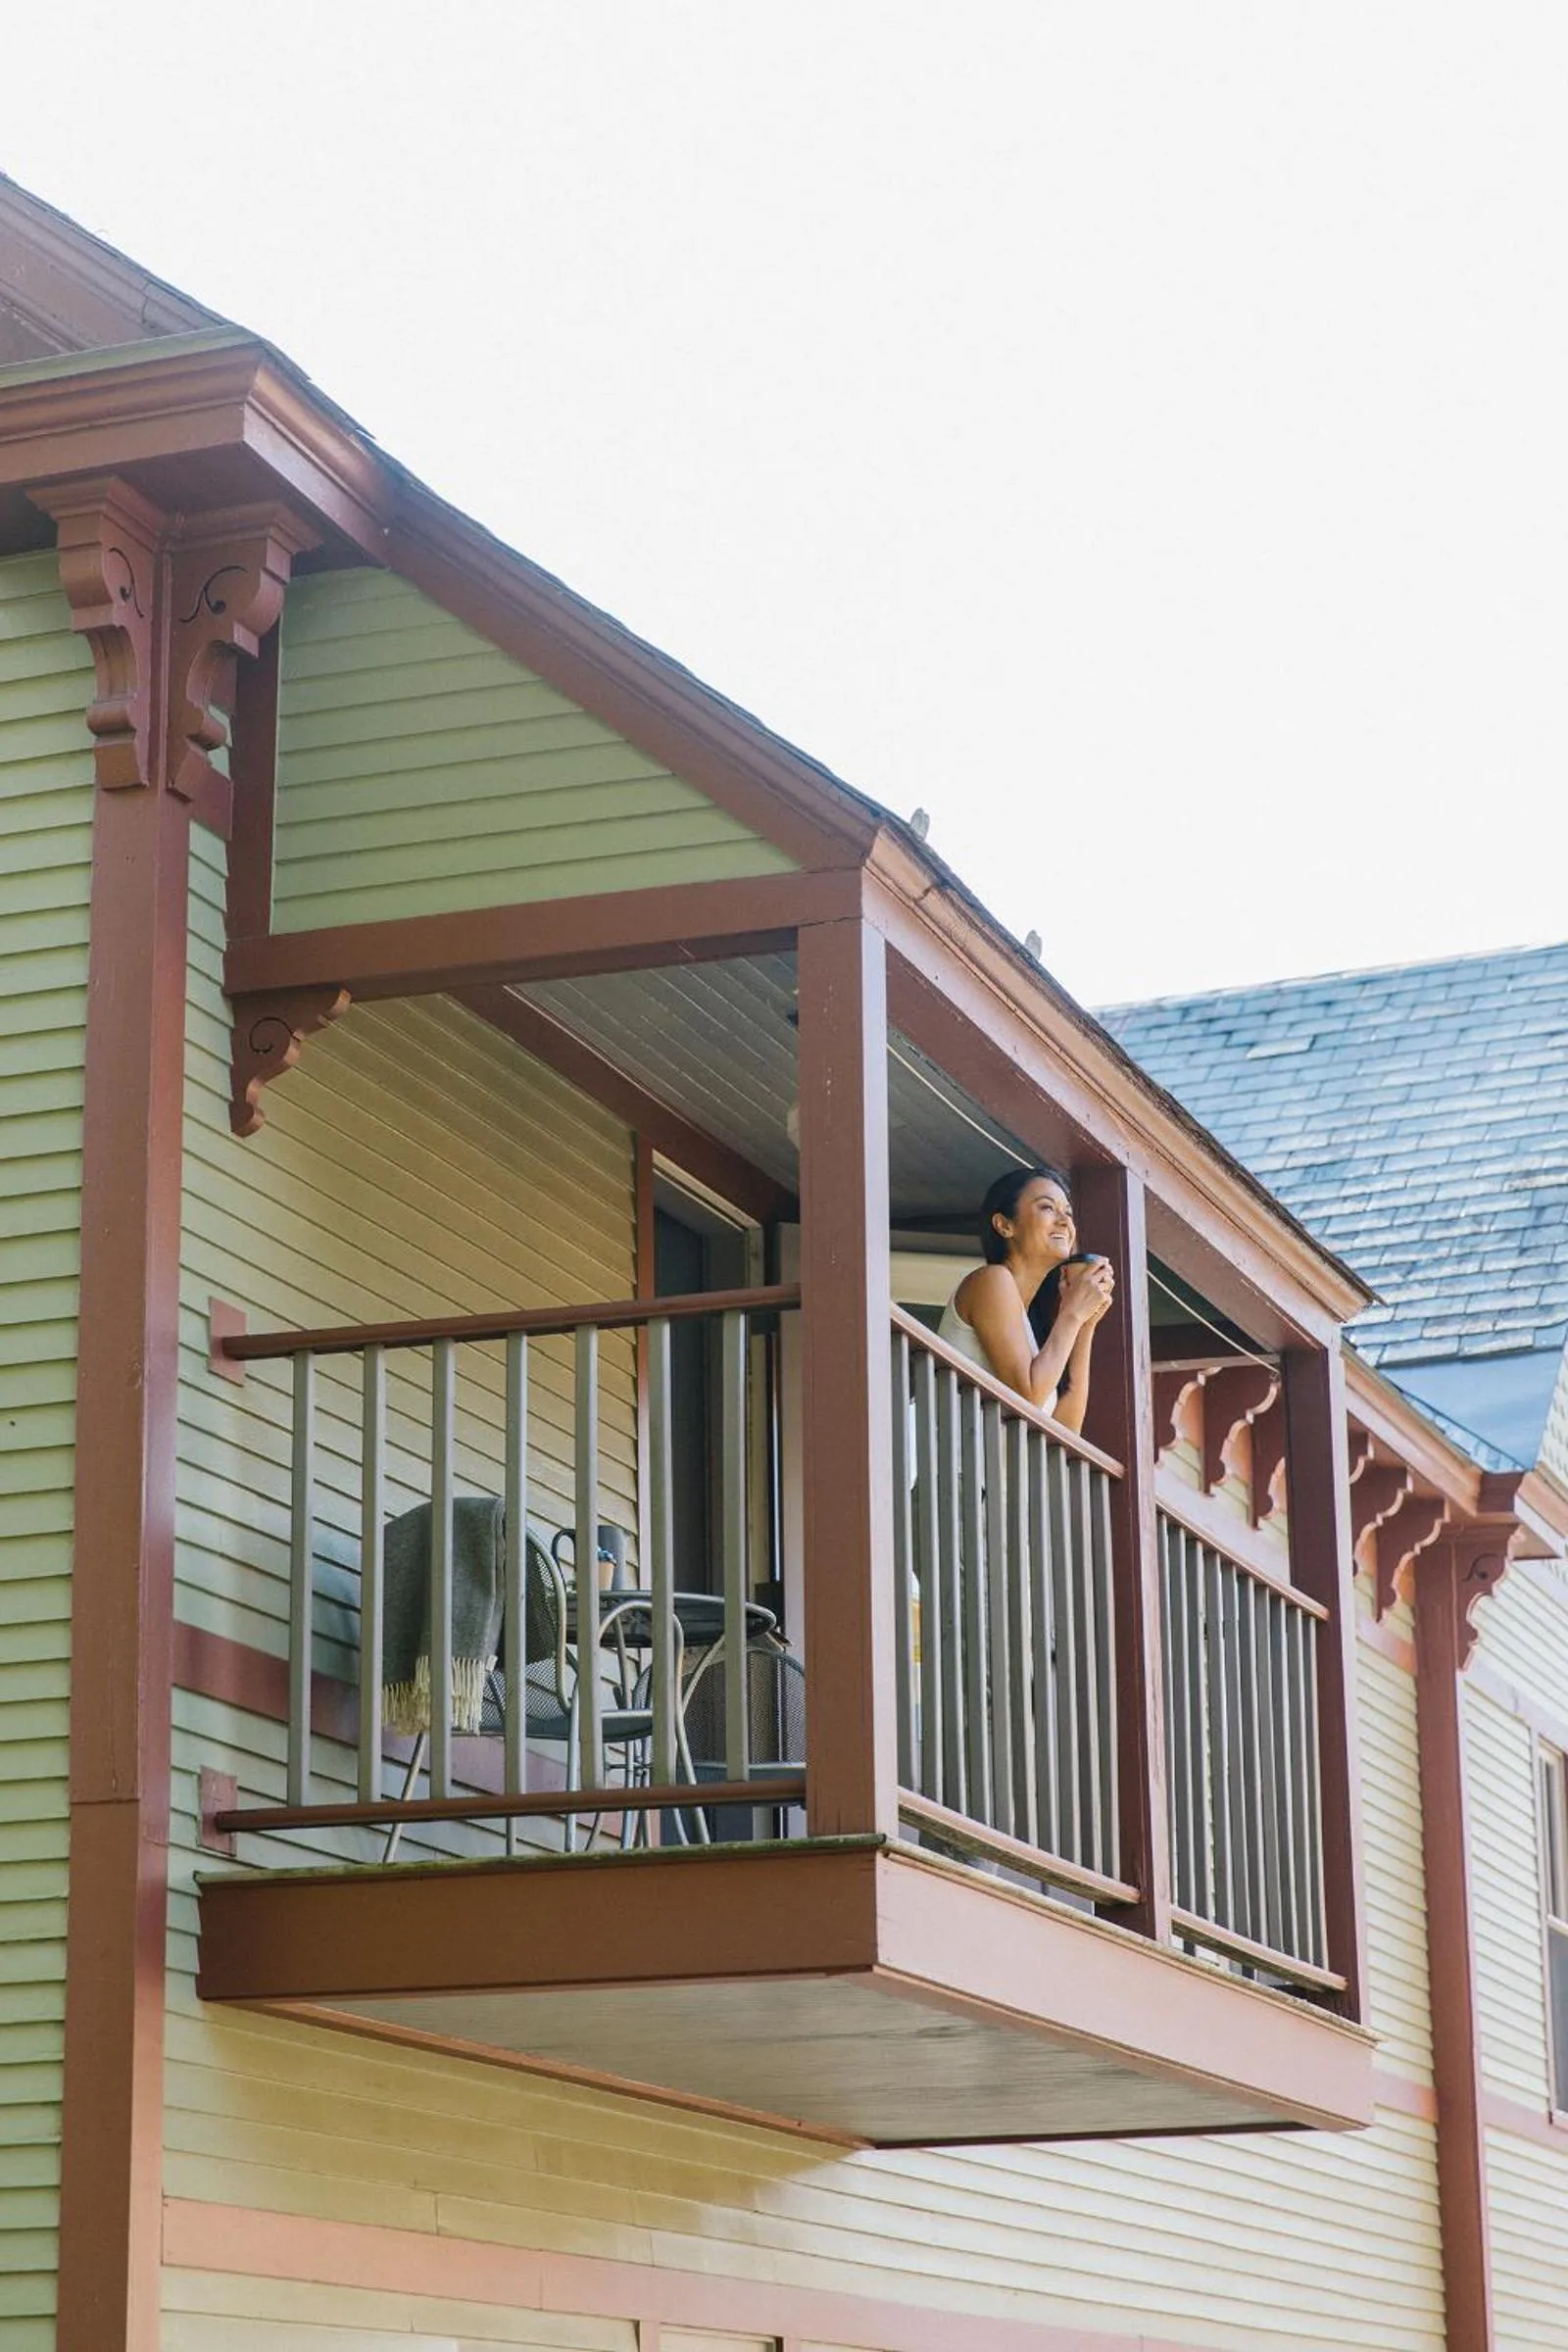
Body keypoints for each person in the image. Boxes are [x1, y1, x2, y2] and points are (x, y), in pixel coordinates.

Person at [937, 1166, 1114, 1433]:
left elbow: (1066, 1433)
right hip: (963, 1471)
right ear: (1005, 1225)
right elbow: (1027, 1396)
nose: (1065, 1221)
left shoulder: (1030, 1326)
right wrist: (1072, 1315)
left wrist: (1085, 1323)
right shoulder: (990, 1280)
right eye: (1047, 1208)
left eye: (1068, 1212)